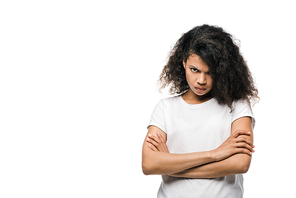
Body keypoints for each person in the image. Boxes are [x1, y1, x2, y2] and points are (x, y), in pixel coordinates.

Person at [142, 24, 259, 198]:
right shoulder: (165, 108)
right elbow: (150, 164)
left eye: (210, 72)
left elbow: (240, 163)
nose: (201, 80)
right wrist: (215, 154)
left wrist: (172, 167)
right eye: (194, 70)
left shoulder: (237, 105)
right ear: (183, 63)